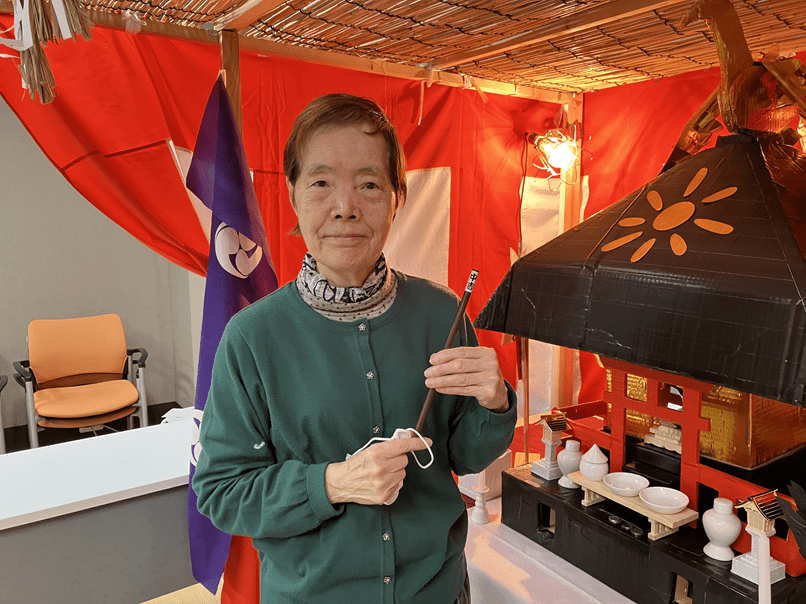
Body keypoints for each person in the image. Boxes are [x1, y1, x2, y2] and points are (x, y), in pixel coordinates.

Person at [192, 93, 517, 604]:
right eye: (321, 183)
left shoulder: (441, 313)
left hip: (436, 591)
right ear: (294, 195)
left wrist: (494, 402)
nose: (345, 208)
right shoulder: (251, 337)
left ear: (396, 198)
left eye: (369, 184)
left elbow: (464, 455)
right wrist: (332, 484)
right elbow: (222, 493)